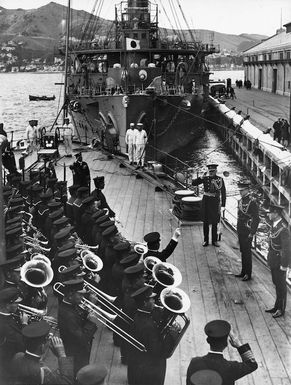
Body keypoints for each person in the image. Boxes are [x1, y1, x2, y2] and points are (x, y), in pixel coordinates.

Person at [186, 319, 258, 385]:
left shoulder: (194, 362)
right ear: (226, 345)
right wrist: (239, 344)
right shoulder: (231, 367)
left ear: (208, 341)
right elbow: (252, 364)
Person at [127, 286, 168, 385]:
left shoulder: (139, 314)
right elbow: (157, 351)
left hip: (138, 364)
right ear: (145, 303)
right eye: (151, 299)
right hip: (149, 370)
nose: (154, 300)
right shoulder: (148, 326)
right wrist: (169, 337)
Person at [11, 320, 74, 385]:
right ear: (42, 347)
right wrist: (62, 355)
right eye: (47, 338)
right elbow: (67, 382)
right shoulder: (43, 371)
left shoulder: (18, 356)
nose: (51, 336)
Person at [58, 278, 98, 374]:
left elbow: (79, 317)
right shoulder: (68, 315)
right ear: (70, 295)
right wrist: (90, 322)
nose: (82, 297)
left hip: (76, 352)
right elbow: (82, 339)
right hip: (75, 355)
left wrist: (90, 306)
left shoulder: (70, 305)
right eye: (80, 294)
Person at [265, 204, 291, 318]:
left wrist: (284, 265)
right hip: (273, 260)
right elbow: (271, 244)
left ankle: (281, 309)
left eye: (270, 213)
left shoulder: (283, 229)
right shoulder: (274, 225)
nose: (268, 214)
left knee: (281, 286)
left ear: (276, 213)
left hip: (280, 262)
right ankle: (276, 306)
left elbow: (287, 249)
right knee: (276, 283)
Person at [191, 164, 226, 247]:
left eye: (213, 171)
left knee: (214, 222)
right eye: (210, 171)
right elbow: (193, 183)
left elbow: (223, 193)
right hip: (206, 201)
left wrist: (223, 205)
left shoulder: (220, 179)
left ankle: (214, 241)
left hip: (215, 202)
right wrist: (200, 178)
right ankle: (206, 240)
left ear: (216, 171)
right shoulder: (205, 178)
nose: (211, 173)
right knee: (205, 222)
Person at [0, 287, 27, 384]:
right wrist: (24, 324)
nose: (18, 305)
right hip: (10, 366)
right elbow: (23, 345)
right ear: (7, 305)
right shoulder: (5, 326)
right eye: (16, 303)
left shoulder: (7, 317)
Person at [235, 180, 260, 281]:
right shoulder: (240, 201)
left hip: (247, 231)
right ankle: (243, 271)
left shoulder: (252, 202)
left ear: (247, 190)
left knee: (247, 252)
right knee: (242, 251)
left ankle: (248, 274)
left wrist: (252, 232)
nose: (240, 192)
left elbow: (256, 218)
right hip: (241, 229)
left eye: (242, 190)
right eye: (240, 190)